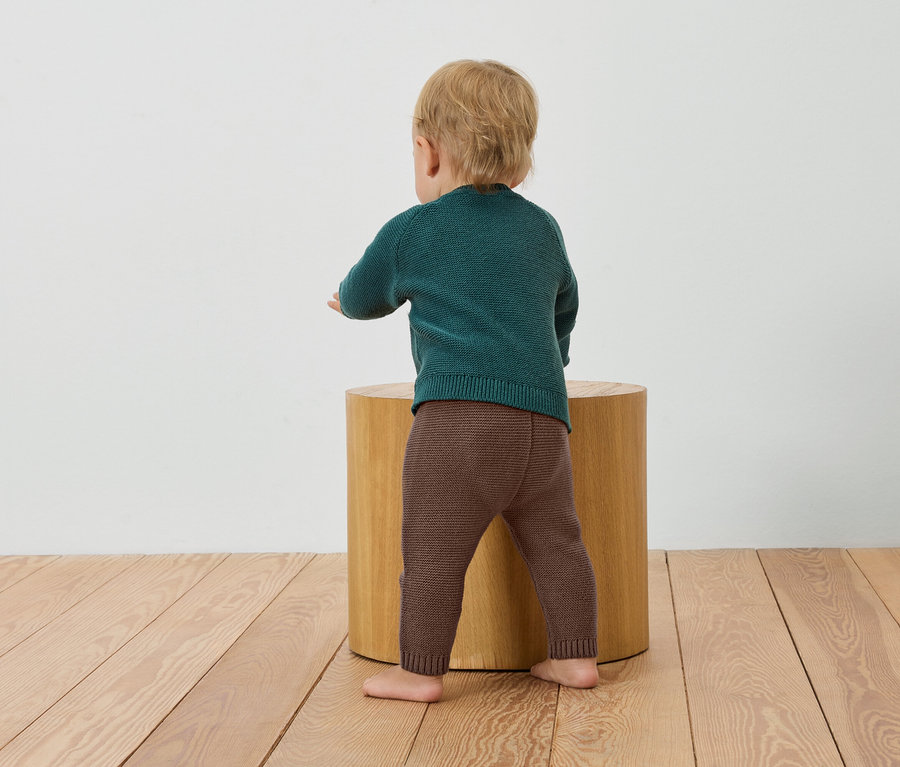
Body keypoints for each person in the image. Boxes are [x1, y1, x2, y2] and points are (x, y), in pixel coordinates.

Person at [328, 60, 599, 702]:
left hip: (457, 425)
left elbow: (364, 296)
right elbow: (564, 305)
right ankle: (576, 658)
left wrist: (343, 299)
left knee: (433, 551)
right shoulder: (542, 228)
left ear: (427, 153)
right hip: (543, 423)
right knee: (558, 541)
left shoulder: (414, 230)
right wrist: (551, 359)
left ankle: (419, 671)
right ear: (521, 163)